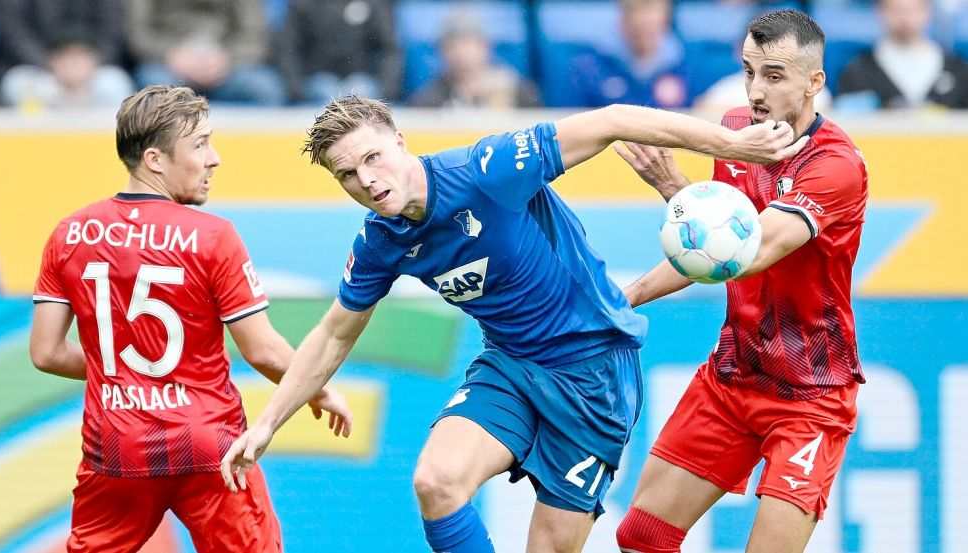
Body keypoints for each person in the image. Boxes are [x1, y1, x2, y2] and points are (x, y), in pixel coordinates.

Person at [218, 93, 806, 552]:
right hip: (510, 367)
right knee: (436, 482)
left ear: (400, 141)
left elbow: (612, 120)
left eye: (373, 157)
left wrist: (734, 145)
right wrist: (267, 424)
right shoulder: (380, 242)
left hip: (594, 376)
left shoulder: (487, 169)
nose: (368, 181)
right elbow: (334, 333)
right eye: (348, 175)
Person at [28, 85, 352, 552]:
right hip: (209, 445)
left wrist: (121, 370)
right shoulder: (213, 236)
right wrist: (319, 389)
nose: (213, 158)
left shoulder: (69, 233)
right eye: (200, 144)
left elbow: (46, 353)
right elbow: (260, 349)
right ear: (156, 159)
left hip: (115, 448)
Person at [612, 10, 867, 553]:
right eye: (749, 71)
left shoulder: (836, 165)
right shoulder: (736, 132)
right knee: (642, 536)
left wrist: (674, 189)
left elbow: (747, 252)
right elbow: (704, 252)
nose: (755, 90)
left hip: (810, 394)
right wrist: (624, 298)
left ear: (814, 83)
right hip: (734, 375)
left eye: (774, 76)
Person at [127, 0, 287, 106]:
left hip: (229, 67)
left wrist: (227, 58)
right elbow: (137, 35)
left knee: (264, 89)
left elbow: (255, 36)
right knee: (154, 86)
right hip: (167, 66)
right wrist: (171, 55)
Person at [0, 0, 134, 109]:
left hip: (93, 69)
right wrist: (50, 62)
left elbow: (113, 28)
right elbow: (14, 30)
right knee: (15, 85)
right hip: (41, 70)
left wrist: (91, 61)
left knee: (115, 84)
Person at [836, 0, 968, 111]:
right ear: (880, 12)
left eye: (912, 10)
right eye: (895, 10)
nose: (904, 18)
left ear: (928, 12)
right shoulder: (857, 72)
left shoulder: (958, 71)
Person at [566, 0, 692, 108]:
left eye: (651, 11)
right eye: (636, 11)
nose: (644, 20)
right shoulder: (589, 67)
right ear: (622, 18)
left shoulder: (684, 64)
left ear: (666, 18)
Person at [275, 0, 402, 106]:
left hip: (362, 78)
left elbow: (389, 49)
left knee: (361, 95)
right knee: (327, 94)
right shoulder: (303, 4)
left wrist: (387, 89)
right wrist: (297, 90)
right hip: (316, 79)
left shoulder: (372, 3)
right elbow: (288, 48)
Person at [410, 14, 541, 109]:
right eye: (452, 46)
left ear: (485, 46)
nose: (460, 53)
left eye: (468, 43)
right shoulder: (429, 98)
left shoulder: (518, 90)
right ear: (442, 51)